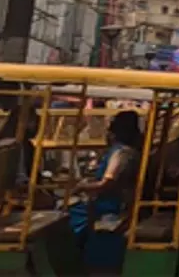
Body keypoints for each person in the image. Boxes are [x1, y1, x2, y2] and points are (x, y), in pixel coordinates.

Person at [69, 111, 142, 267]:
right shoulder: (128, 150)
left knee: (65, 215)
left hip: (110, 204)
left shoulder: (122, 153)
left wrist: (81, 187)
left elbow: (107, 183)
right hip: (112, 201)